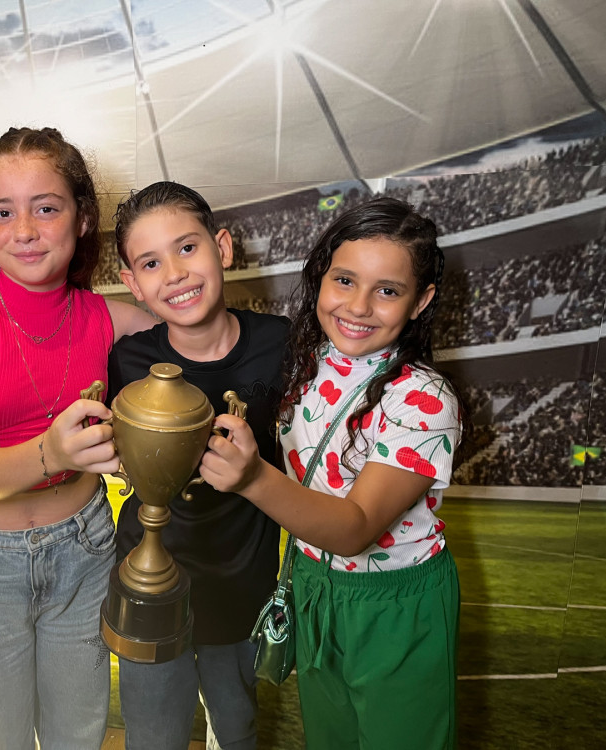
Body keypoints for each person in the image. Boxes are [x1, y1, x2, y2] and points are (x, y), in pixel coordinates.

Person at [0, 126, 152, 749]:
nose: (24, 230)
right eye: (2, 212)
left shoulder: (116, 320)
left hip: (86, 551)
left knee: (78, 738)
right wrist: (53, 453)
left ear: (83, 218)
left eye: (45, 208)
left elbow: (200, 341)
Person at [201, 196, 464, 749]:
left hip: (394, 603)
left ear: (421, 301)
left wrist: (252, 479)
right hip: (313, 585)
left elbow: (354, 529)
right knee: (329, 739)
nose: (359, 306)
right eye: (344, 280)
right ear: (320, 277)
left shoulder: (424, 398)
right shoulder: (302, 361)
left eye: (387, 291)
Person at [107, 181, 289, 750]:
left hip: (241, 586)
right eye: (151, 263)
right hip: (150, 584)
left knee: (237, 729)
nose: (175, 273)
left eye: (187, 248)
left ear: (223, 248)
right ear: (134, 284)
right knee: (153, 736)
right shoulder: (129, 361)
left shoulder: (283, 345)